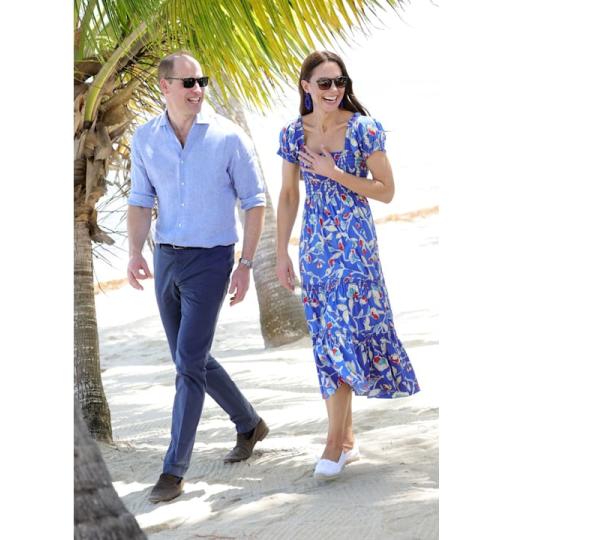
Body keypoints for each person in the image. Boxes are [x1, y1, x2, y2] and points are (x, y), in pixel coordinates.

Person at [127, 52, 270, 503]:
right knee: (191, 358)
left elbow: (254, 202)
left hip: (212, 261)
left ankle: (173, 470)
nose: (197, 90)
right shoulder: (146, 138)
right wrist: (133, 251)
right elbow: (138, 199)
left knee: (188, 363)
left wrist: (245, 264)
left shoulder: (229, 137)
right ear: (165, 87)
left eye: (201, 81)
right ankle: (249, 423)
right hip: (167, 258)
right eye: (188, 82)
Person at [275, 50, 420, 482]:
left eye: (340, 82)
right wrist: (281, 251)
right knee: (328, 340)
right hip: (316, 252)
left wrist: (334, 172)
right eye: (324, 83)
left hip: (356, 251)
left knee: (342, 334)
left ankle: (333, 444)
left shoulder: (362, 130)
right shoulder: (291, 135)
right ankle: (348, 439)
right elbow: (287, 196)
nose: (334, 90)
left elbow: (387, 190)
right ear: (306, 87)